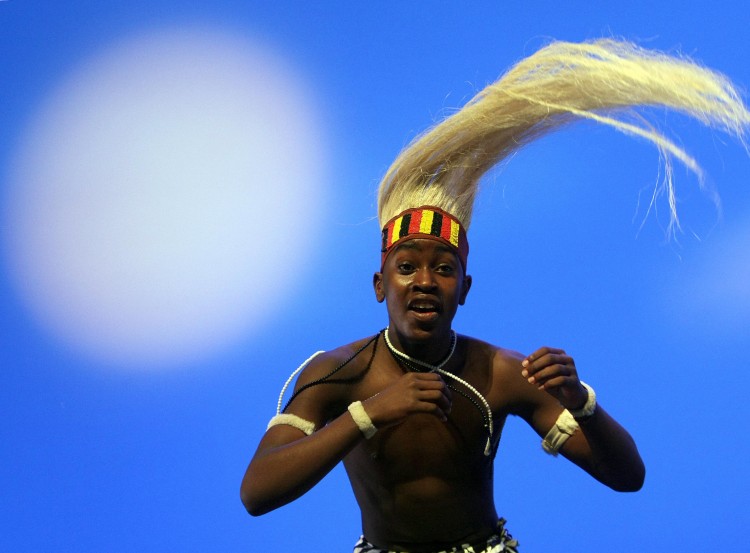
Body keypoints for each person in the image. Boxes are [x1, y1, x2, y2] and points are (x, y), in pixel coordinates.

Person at [241, 39, 749, 552]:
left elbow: (627, 476)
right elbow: (257, 492)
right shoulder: (338, 374)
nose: (423, 281)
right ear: (379, 286)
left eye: (443, 269)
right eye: (406, 267)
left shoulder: (501, 373)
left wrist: (581, 402)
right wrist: (368, 412)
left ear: (464, 288)